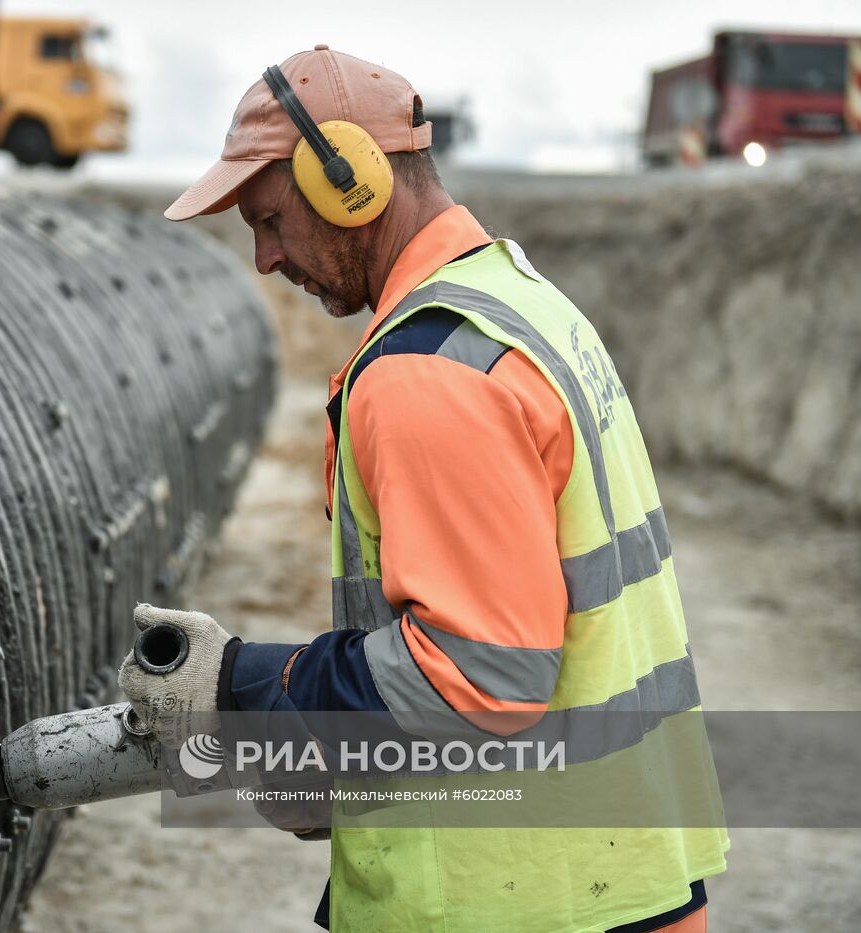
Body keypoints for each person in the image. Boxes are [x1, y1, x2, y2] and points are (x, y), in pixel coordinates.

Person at [117, 46, 728, 932]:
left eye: (271, 218)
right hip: (613, 873)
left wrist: (247, 684)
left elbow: (480, 672)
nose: (263, 256)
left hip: (516, 896)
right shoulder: (520, 304)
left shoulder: (428, 372)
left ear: (348, 180)